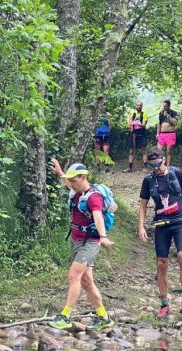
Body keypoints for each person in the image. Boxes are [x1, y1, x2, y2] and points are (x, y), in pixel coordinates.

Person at [138, 149, 182, 318]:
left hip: (180, 222)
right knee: (161, 262)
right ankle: (164, 303)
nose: (156, 168)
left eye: (158, 164)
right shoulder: (148, 180)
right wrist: (141, 226)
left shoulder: (176, 173)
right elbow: (143, 204)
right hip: (162, 225)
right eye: (152, 165)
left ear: (164, 160)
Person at [47, 159, 115, 331]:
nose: (70, 184)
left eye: (74, 180)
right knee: (86, 281)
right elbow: (68, 182)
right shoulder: (77, 191)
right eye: (70, 181)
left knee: (73, 276)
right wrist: (61, 173)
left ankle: (65, 316)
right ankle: (103, 318)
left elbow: (98, 217)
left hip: (90, 243)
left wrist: (103, 236)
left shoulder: (94, 198)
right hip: (77, 241)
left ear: (83, 177)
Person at [124, 101, 148, 172]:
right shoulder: (132, 114)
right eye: (137, 105)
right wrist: (134, 123)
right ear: (135, 106)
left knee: (144, 150)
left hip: (141, 133)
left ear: (142, 106)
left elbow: (144, 124)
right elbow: (130, 123)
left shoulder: (144, 114)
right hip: (133, 133)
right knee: (131, 150)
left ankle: (145, 167)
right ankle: (130, 167)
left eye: (140, 105)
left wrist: (137, 123)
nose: (139, 107)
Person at [156, 100, 179, 166]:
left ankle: (168, 167)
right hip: (162, 134)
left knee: (169, 151)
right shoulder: (161, 113)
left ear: (169, 106)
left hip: (170, 134)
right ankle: (162, 165)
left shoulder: (174, 113)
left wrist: (168, 116)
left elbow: (175, 123)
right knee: (159, 151)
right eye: (163, 106)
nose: (164, 107)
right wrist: (157, 133)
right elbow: (159, 124)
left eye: (165, 106)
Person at [93, 109, 112, 173]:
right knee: (97, 151)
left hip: (105, 135)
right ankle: (97, 167)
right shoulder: (95, 113)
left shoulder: (107, 114)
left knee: (105, 151)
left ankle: (107, 167)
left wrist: (108, 132)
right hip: (97, 134)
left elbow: (110, 124)